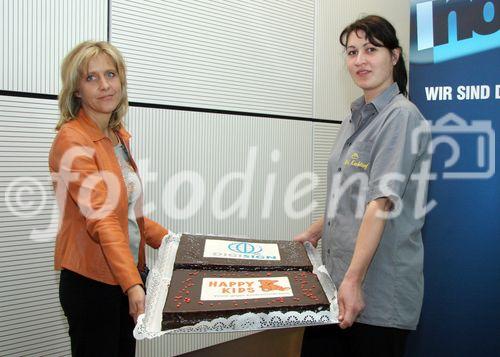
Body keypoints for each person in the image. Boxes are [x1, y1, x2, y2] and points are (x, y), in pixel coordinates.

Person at [295, 15, 431, 357]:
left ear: (395, 56)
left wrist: (353, 281)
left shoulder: (401, 116)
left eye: (371, 49)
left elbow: (381, 202)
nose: (359, 60)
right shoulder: (355, 115)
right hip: (335, 284)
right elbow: (352, 195)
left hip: (376, 294)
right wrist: (318, 229)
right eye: (352, 52)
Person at [49, 41, 169, 356]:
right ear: (76, 90)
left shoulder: (116, 137)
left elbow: (127, 214)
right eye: (91, 78)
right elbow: (102, 218)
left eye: (111, 74)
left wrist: (173, 241)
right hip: (93, 284)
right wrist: (132, 285)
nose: (105, 85)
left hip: (126, 277)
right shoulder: (72, 140)